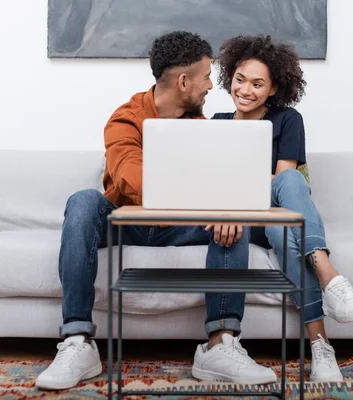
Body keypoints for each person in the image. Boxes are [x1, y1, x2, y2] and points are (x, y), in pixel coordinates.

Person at [35, 31, 276, 390]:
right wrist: (198, 200)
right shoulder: (125, 118)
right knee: (83, 201)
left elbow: (217, 182)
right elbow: (131, 177)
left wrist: (221, 207)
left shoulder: (201, 127)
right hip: (127, 222)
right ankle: (77, 342)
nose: (212, 85)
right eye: (207, 76)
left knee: (231, 215)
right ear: (183, 82)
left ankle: (220, 345)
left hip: (178, 227)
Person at [212, 35, 353, 382]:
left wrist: (241, 178)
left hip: (278, 216)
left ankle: (321, 347)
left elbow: (285, 182)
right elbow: (216, 186)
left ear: (273, 90)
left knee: (284, 218)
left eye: (258, 84)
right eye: (240, 80)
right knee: (284, 193)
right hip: (241, 221)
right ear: (230, 77)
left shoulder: (288, 119)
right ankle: (329, 278)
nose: (245, 90)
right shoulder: (216, 122)